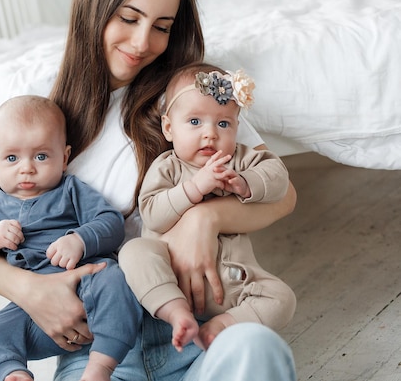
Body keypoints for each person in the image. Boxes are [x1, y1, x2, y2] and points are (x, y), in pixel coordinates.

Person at [0, 0, 298, 380]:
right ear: (95, 10)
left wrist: (206, 217)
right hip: (100, 345)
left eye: (161, 26)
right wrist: (31, 292)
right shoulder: (40, 108)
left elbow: (283, 194)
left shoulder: (191, 98)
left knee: (258, 350)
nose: (142, 43)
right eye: (129, 18)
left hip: (192, 327)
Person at [0, 95, 143, 381]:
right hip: (35, 310)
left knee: (114, 278)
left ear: (64, 157)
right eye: (11, 158)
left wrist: (79, 240)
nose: (27, 167)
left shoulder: (70, 190)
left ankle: (100, 367)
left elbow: (111, 223)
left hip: (89, 287)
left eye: (41, 156)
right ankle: (13, 374)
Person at [118, 62, 297, 353]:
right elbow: (152, 212)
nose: (210, 134)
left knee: (282, 298)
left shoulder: (237, 160)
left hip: (234, 285)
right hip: (171, 276)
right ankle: (177, 313)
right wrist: (194, 189)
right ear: (168, 127)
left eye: (223, 124)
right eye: (194, 122)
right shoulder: (168, 168)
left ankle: (222, 325)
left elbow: (278, 176)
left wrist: (244, 182)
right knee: (134, 253)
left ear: (237, 129)